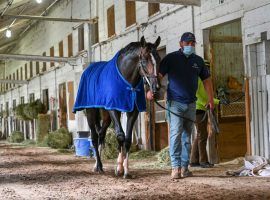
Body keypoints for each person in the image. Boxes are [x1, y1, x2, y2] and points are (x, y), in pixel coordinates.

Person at [146, 32, 214, 179]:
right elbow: (158, 77)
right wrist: (150, 91)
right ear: (181, 44)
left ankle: (184, 167)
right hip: (175, 102)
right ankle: (175, 167)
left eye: (192, 43)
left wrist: (210, 99)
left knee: (187, 136)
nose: (190, 45)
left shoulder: (198, 61)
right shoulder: (171, 58)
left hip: (191, 103)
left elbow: (207, 80)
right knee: (176, 134)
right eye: (187, 43)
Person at [190, 60, 219, 168]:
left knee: (200, 135)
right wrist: (212, 102)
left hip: (201, 108)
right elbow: (198, 96)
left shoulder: (202, 80)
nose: (208, 70)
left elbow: (206, 97)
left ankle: (193, 160)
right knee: (202, 135)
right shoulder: (198, 79)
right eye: (206, 68)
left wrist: (216, 101)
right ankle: (203, 161)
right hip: (198, 109)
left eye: (208, 68)